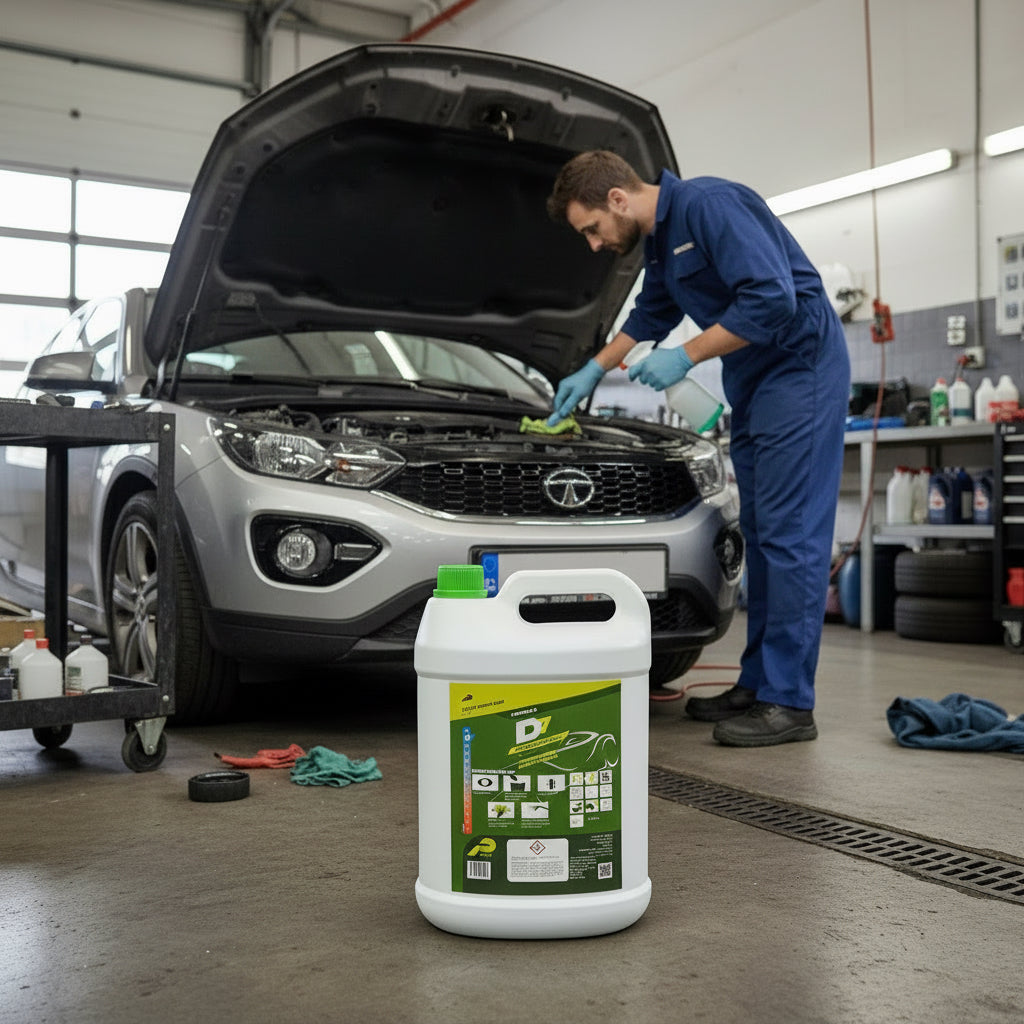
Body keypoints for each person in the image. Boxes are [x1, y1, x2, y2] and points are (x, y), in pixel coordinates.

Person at [545, 150, 850, 747]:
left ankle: (789, 703)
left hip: (799, 372)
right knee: (761, 533)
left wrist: (685, 356)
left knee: (791, 536)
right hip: (754, 378)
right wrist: (591, 370)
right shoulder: (660, 240)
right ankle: (760, 683)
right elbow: (651, 312)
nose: (593, 244)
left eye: (592, 230)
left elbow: (773, 299)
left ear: (617, 200)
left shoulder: (710, 204)